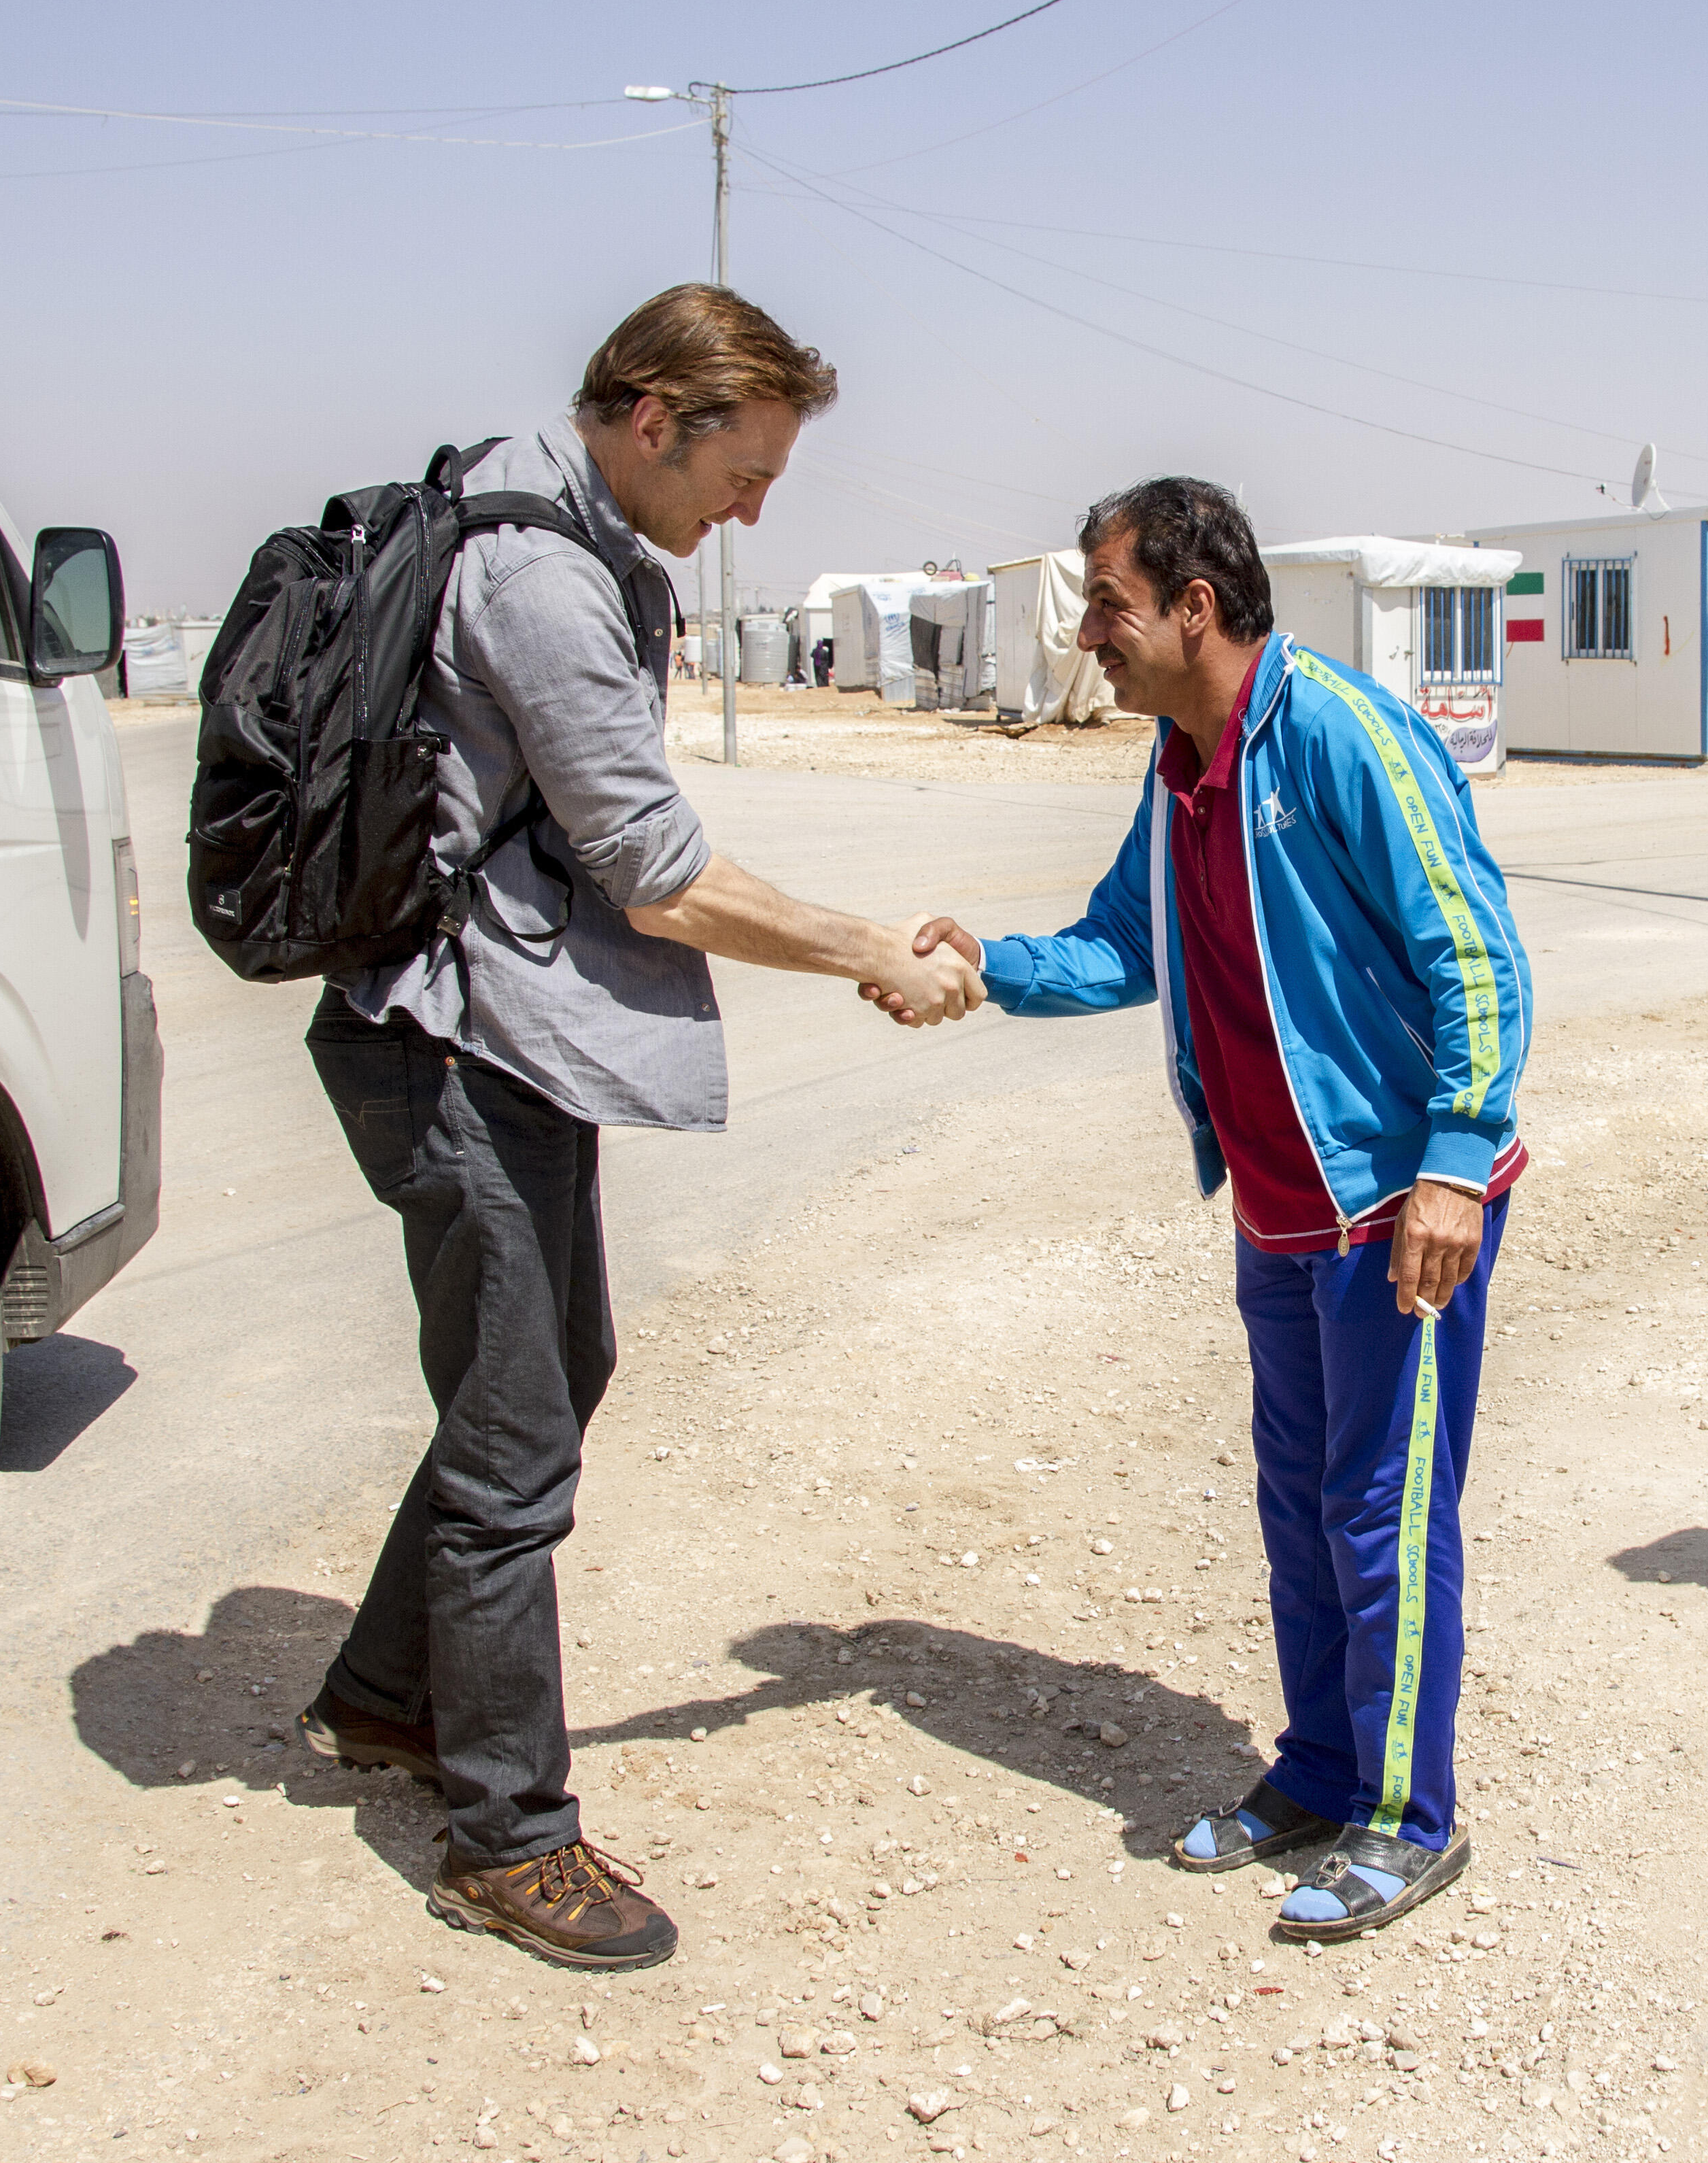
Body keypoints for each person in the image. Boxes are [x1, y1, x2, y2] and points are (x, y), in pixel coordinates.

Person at [294, 286, 982, 1970]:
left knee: (543, 1372)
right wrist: (866, 949)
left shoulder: (574, 528)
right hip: (449, 1046)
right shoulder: (539, 572)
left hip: (502, 1039)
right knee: (517, 1434)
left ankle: (392, 1695)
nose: (754, 510)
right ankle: (504, 1834)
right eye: (742, 470)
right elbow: (659, 872)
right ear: (656, 416)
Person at [869, 477, 1531, 1940]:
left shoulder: (1344, 736)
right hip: (1278, 1215)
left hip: (1391, 1211)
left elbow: (1474, 955)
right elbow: (1125, 942)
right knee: (1299, 1501)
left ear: (1195, 607)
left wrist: (1452, 1159)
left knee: (1382, 1507)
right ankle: (1313, 1768)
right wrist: (988, 967)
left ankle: (1406, 1817)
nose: (1088, 634)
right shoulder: (1177, 767)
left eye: (1106, 602)